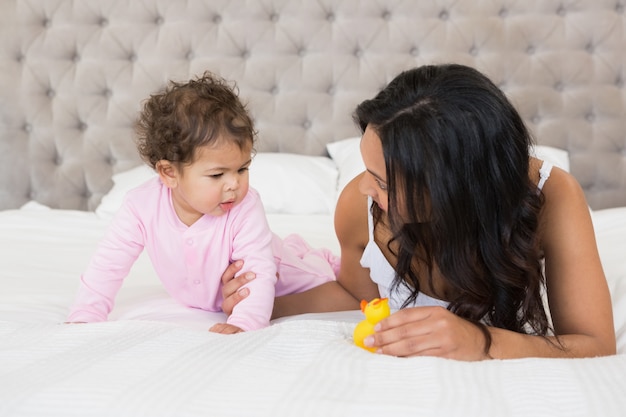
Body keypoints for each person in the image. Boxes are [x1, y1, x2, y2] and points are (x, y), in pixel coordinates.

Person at [219, 63, 616, 359]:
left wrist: (480, 340)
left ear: (457, 189)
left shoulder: (553, 195)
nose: (362, 188)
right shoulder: (359, 208)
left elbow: (594, 344)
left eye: (384, 182)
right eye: (366, 169)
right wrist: (264, 300)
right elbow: (355, 295)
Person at [67, 72, 337, 334]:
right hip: (216, 299)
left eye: (242, 169)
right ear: (169, 173)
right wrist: (86, 314)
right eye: (217, 174)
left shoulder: (245, 207)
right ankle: (297, 247)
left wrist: (246, 321)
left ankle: (316, 259)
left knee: (322, 276)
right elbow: (107, 265)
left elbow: (258, 271)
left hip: (285, 277)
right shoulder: (141, 207)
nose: (234, 184)